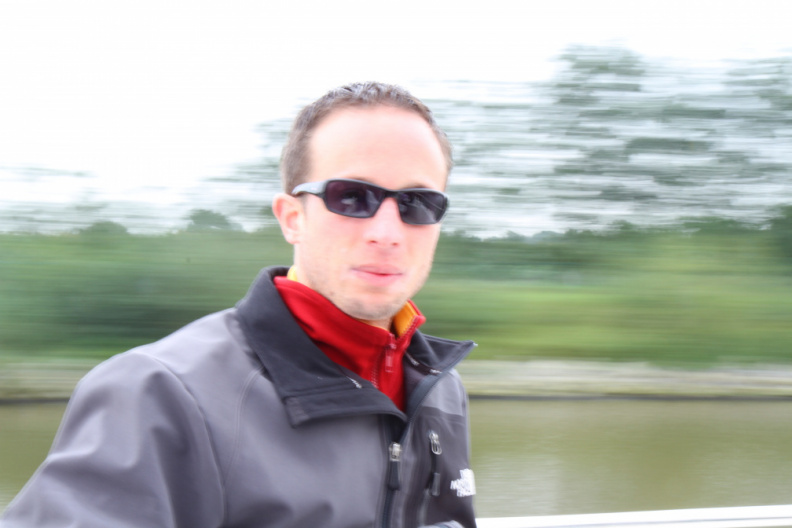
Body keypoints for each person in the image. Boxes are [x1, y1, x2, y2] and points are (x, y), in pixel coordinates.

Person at [0, 82, 477, 528]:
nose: (387, 233)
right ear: (292, 218)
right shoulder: (159, 393)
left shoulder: (439, 388)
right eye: (352, 197)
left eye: (418, 203)